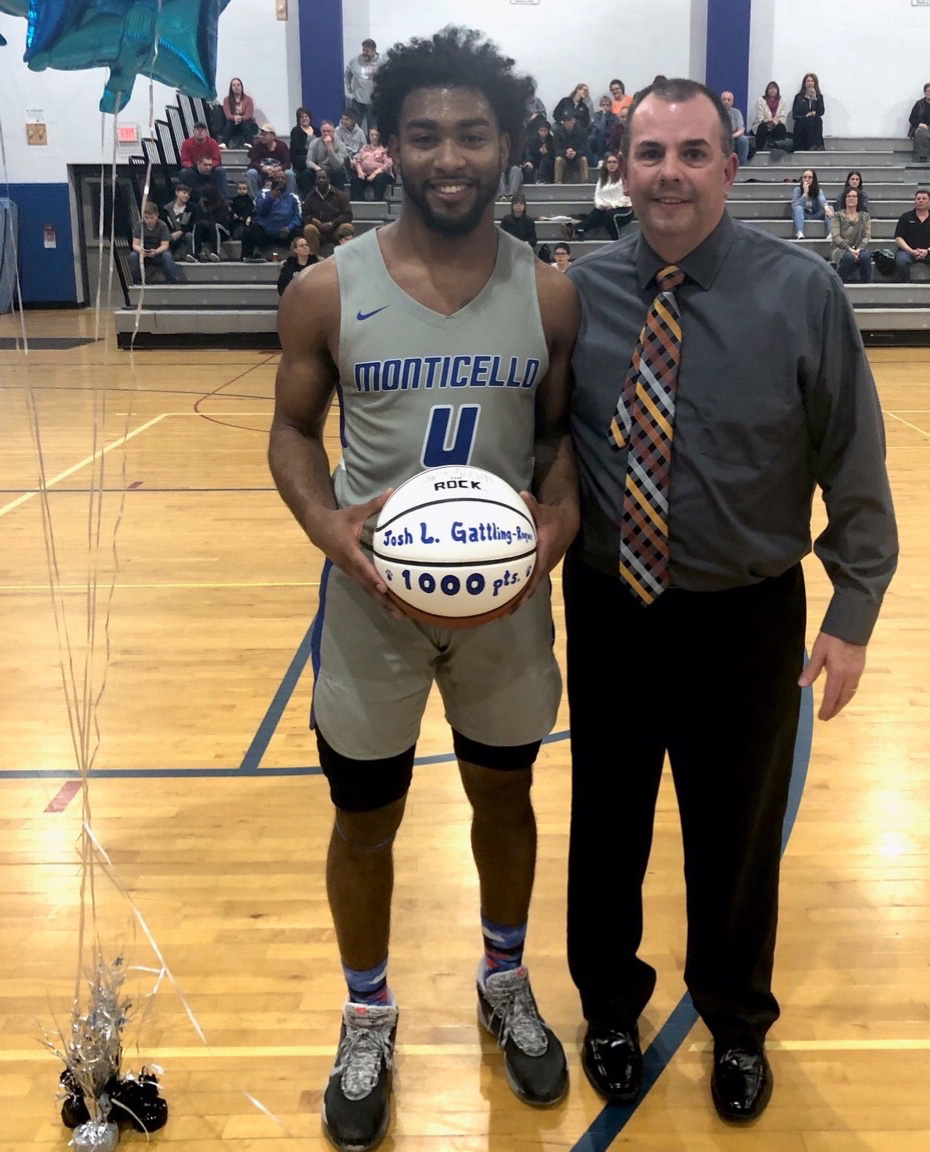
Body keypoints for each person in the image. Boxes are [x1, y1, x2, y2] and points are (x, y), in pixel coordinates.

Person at [267, 27, 581, 1150]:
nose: (450, 157)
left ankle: (504, 979)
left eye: (472, 135)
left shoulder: (548, 296)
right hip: (370, 613)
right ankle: (367, 1012)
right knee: (367, 822)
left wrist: (557, 517)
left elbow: (558, 444)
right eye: (425, 135)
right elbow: (292, 435)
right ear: (388, 146)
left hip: (502, 613)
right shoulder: (321, 291)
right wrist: (327, 527)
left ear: (507, 145)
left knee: (507, 798)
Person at [563, 75, 897, 1126]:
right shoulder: (578, 294)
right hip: (613, 604)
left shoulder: (802, 292)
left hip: (748, 616)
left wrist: (851, 612)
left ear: (729, 167)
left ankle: (739, 1022)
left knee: (736, 834)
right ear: (621, 168)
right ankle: (609, 1007)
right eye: (649, 152)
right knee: (605, 819)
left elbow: (856, 458)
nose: (670, 173)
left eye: (692, 152)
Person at [894, 189, 930, 282]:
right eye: (918, 199)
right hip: (908, 252)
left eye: (924, 199)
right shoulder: (905, 217)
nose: (921, 201)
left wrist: (928, 251)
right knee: (901, 261)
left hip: (929, 253)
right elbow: (898, 238)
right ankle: (907, 286)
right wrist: (911, 251)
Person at [242, 171, 302, 262]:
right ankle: (247, 256)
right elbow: (260, 212)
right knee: (249, 229)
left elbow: (298, 217)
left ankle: (299, 258)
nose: (281, 180)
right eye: (278, 178)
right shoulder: (263, 194)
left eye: (283, 178)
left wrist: (289, 228)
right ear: (273, 180)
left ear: (287, 181)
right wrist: (271, 198)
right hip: (265, 234)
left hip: (285, 234)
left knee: (299, 230)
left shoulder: (293, 197)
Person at [572, 153, 633, 240]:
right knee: (597, 212)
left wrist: (613, 205)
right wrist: (600, 205)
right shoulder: (603, 178)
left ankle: (615, 240)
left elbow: (628, 196)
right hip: (606, 207)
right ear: (605, 164)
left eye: (614, 162)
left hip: (624, 208)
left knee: (609, 215)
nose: (612, 164)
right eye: (609, 162)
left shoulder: (625, 177)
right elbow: (597, 195)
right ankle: (578, 229)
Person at [302, 170, 354, 255]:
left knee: (347, 227)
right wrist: (313, 220)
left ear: (329, 180)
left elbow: (348, 215)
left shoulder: (340, 195)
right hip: (318, 230)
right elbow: (305, 214)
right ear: (315, 180)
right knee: (309, 228)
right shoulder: (310, 196)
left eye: (323, 178)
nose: (321, 180)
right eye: (319, 178)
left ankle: (346, 255)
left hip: (336, 230)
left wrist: (332, 223)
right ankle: (315, 258)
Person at [128, 201, 179, 284]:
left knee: (167, 255)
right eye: (146, 217)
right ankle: (136, 279)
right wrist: (141, 250)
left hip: (159, 252)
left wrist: (155, 252)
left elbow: (165, 245)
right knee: (133, 255)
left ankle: (172, 279)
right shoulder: (139, 225)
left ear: (157, 216)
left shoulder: (162, 226)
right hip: (144, 251)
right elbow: (135, 244)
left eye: (152, 217)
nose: (149, 220)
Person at [830, 186, 872, 282]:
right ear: (845, 199)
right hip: (839, 249)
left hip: (858, 249)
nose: (851, 198)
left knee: (865, 257)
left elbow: (866, 236)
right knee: (849, 258)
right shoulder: (837, 216)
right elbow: (835, 237)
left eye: (854, 196)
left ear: (858, 199)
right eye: (848, 196)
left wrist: (859, 249)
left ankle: (868, 287)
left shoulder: (865, 216)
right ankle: (839, 282)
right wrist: (849, 250)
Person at [179, 120, 228, 198]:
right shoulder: (187, 143)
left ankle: (224, 200)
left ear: (206, 132)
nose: (200, 132)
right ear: (193, 132)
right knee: (184, 172)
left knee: (220, 171)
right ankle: (186, 199)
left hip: (210, 168)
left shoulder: (212, 142)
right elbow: (185, 160)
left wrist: (207, 166)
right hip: (194, 170)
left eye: (202, 130)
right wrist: (197, 167)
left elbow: (217, 159)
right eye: (198, 130)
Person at [246, 125, 295, 198]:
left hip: (278, 173)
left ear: (273, 136)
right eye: (261, 134)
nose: (261, 137)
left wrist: (277, 169)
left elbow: (287, 164)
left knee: (289, 173)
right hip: (262, 173)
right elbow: (253, 163)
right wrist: (263, 169)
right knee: (251, 173)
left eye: (264, 135)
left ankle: (289, 198)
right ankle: (257, 198)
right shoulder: (258, 146)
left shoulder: (282, 145)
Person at [345, 38, 381, 133]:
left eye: (367, 51)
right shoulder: (355, 61)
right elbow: (348, 72)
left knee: (372, 127)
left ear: (374, 50)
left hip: (373, 101)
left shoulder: (382, 62)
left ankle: (372, 146)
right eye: (363, 50)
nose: (364, 53)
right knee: (355, 125)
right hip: (358, 100)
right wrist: (348, 84)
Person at [351, 129, 395, 202]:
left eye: (376, 135)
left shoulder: (384, 149)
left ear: (379, 136)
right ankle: (357, 205)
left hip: (380, 173)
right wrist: (360, 172)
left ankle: (377, 203)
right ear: (369, 136)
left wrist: (374, 174)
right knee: (355, 180)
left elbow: (388, 164)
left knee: (380, 179)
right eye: (372, 135)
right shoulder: (364, 148)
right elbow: (358, 161)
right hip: (365, 173)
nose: (374, 137)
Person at [790, 167, 832, 239]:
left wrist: (826, 207)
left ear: (813, 179)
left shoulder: (818, 190)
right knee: (799, 208)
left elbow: (822, 198)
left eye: (810, 177)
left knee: (830, 208)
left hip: (814, 215)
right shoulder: (797, 190)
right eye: (805, 177)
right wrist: (805, 193)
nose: (807, 179)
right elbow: (796, 207)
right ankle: (800, 232)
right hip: (801, 215)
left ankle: (831, 233)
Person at [307, 121, 350, 189]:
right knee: (306, 174)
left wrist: (330, 148)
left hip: (333, 169)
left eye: (328, 131)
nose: (326, 133)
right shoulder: (314, 143)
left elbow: (337, 165)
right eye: (324, 131)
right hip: (319, 168)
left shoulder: (340, 145)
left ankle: (337, 198)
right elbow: (309, 161)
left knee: (338, 173)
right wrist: (317, 168)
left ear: (333, 132)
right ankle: (310, 198)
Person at [161, 182, 197, 261]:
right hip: (171, 233)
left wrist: (181, 232)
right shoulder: (166, 209)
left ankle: (191, 256)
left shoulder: (192, 208)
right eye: (184, 193)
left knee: (189, 236)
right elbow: (164, 224)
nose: (187, 196)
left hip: (185, 233)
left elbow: (192, 224)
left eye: (188, 194)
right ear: (177, 193)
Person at [791, 73, 825, 152]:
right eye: (808, 81)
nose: (810, 83)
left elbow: (821, 112)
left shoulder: (819, 97)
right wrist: (806, 115)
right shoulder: (798, 97)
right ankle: (811, 145)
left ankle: (819, 145)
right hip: (802, 122)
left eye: (812, 81)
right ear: (805, 84)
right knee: (810, 120)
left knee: (817, 119)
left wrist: (815, 98)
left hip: (814, 121)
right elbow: (795, 115)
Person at [221, 77, 258, 148]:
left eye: (238, 85)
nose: (236, 87)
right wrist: (235, 118)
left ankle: (249, 143)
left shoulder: (248, 99)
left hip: (246, 125)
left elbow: (249, 115)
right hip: (233, 125)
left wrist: (240, 118)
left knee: (246, 122)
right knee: (229, 122)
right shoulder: (227, 100)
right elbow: (228, 115)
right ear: (231, 88)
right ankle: (224, 143)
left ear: (241, 87)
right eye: (234, 85)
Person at [752, 81, 788, 152]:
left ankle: (779, 149)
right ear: (767, 90)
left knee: (781, 127)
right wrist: (771, 120)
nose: (772, 90)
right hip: (763, 124)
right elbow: (760, 118)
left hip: (775, 125)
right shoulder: (761, 100)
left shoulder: (783, 101)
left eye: (774, 88)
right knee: (762, 127)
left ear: (777, 90)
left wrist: (777, 121)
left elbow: (783, 116)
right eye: (770, 88)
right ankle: (759, 150)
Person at [554, 113, 589, 184]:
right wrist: (565, 152)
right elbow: (556, 149)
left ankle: (585, 183)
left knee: (584, 159)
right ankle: (557, 183)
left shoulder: (582, 132)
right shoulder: (558, 133)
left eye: (569, 120)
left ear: (574, 121)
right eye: (565, 121)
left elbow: (585, 149)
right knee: (558, 160)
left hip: (577, 157)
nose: (567, 123)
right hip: (564, 157)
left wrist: (575, 153)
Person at [291, 107, 317, 196]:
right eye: (302, 117)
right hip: (302, 160)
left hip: (317, 159)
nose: (304, 118)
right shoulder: (295, 131)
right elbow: (297, 149)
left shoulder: (317, 130)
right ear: (298, 119)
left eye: (306, 116)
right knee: (307, 174)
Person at [720, 91, 749, 165]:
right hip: (720, 139)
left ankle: (743, 167)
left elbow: (741, 130)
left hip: (733, 138)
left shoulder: (737, 113)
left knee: (744, 140)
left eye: (728, 100)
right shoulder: (715, 112)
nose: (726, 102)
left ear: (732, 102)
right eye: (724, 99)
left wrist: (732, 136)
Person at [522, 118, 554, 184]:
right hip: (534, 159)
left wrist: (547, 152)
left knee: (545, 158)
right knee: (528, 166)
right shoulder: (532, 139)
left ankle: (541, 178)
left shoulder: (552, 140)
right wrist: (538, 153)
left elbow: (554, 153)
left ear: (548, 131)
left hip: (548, 162)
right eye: (541, 130)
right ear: (538, 131)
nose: (542, 133)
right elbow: (528, 152)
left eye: (544, 131)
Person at [589, 96, 619, 166]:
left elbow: (614, 129)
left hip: (610, 137)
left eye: (607, 105)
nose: (605, 107)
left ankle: (612, 159)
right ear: (600, 106)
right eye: (603, 105)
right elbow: (600, 128)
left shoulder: (614, 116)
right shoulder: (596, 115)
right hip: (598, 139)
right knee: (601, 134)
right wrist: (603, 115)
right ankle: (600, 159)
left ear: (610, 106)